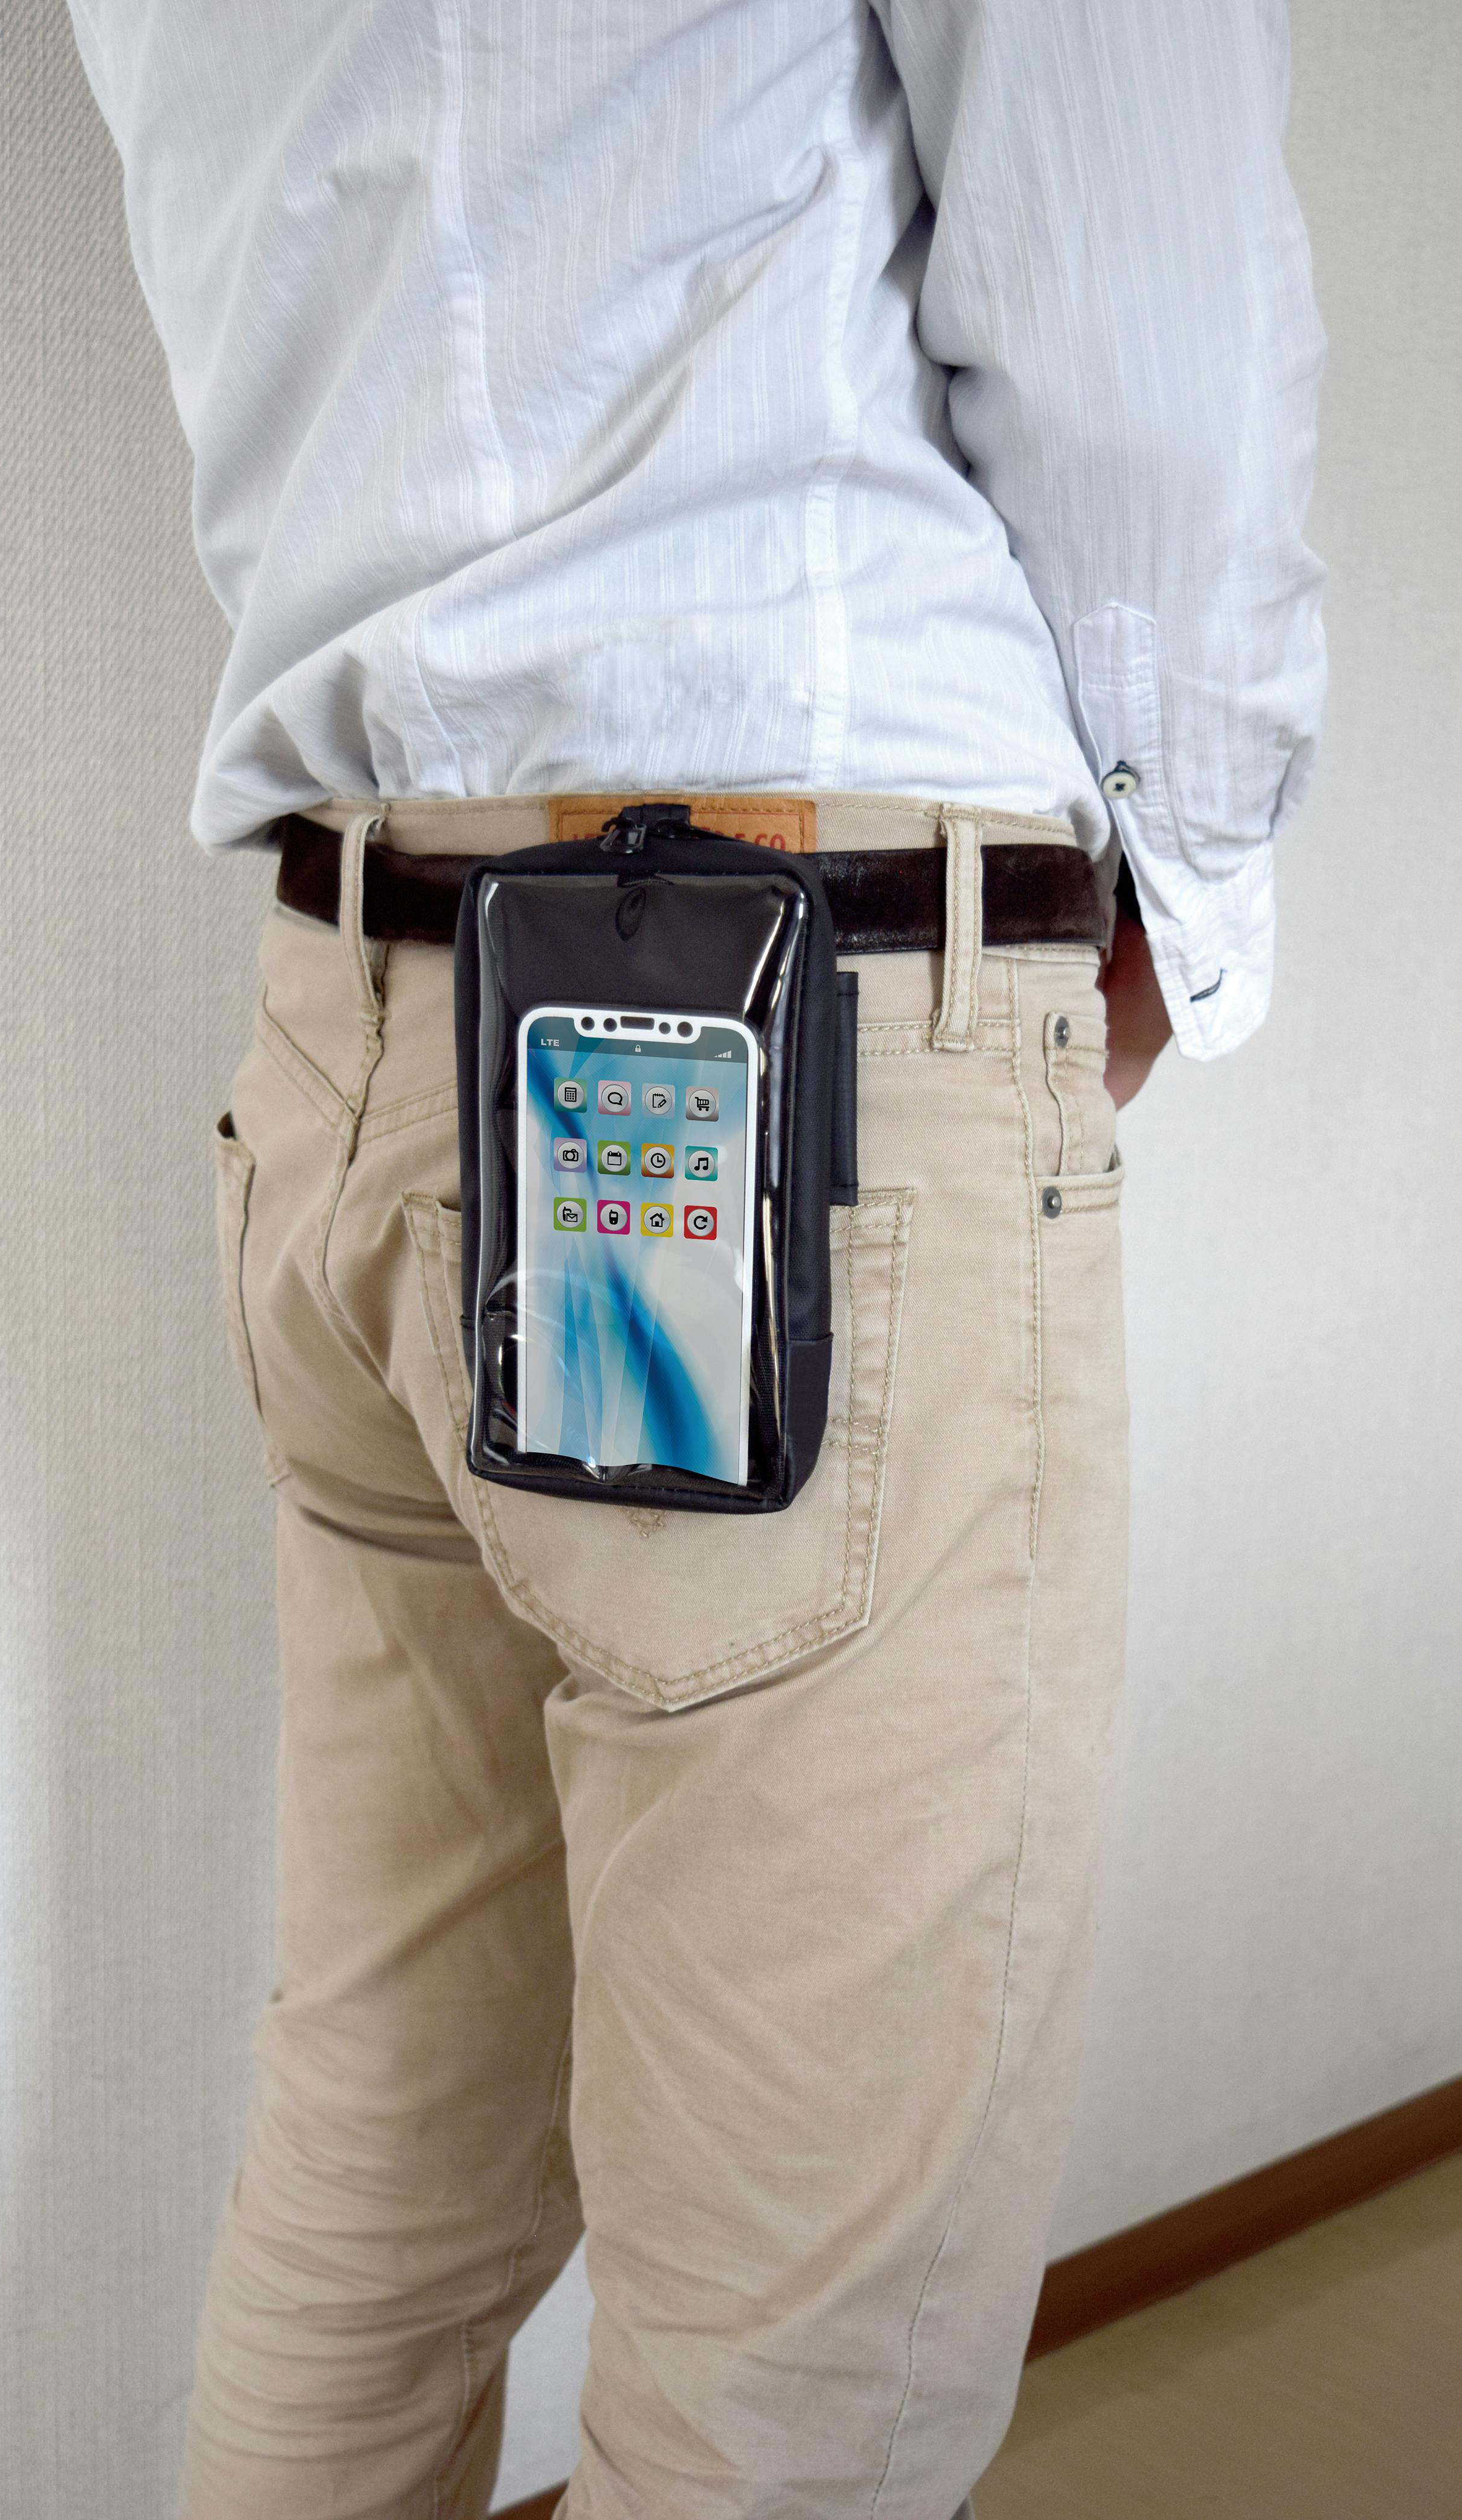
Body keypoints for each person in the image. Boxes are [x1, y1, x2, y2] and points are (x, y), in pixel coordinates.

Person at [68, 2, 1323, 2512]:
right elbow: (1137, 281)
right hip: (779, 1006)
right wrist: (1185, 884)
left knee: (379, 2166)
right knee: (798, 2377)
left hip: (354, 1022)